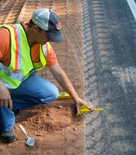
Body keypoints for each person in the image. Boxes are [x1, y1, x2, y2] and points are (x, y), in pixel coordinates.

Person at [0, 8, 93, 143]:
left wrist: (76, 99)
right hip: (2, 84)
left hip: (16, 82)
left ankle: (10, 104)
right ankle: (5, 122)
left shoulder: (43, 46)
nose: (50, 40)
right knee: (8, 131)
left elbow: (59, 73)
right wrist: (1, 87)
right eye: (48, 36)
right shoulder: (6, 36)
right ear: (36, 29)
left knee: (51, 93)